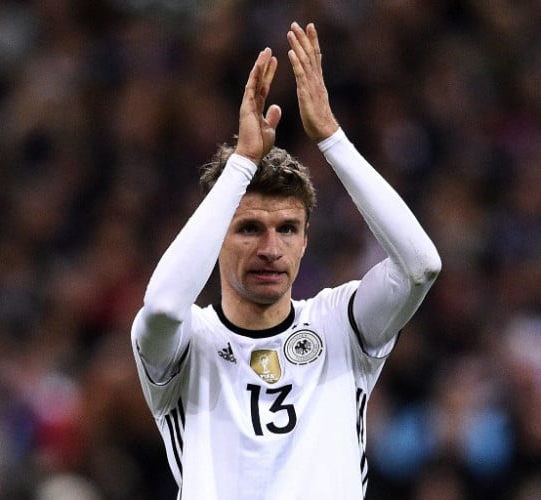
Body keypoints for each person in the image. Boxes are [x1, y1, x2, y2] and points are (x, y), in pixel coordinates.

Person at [130, 21, 441, 500]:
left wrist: (331, 138)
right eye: (249, 228)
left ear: (305, 242)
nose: (271, 249)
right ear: (217, 237)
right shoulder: (187, 341)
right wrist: (241, 163)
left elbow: (421, 265)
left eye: (287, 229)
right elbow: (165, 307)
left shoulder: (341, 323)